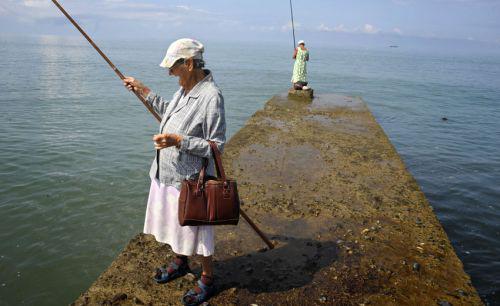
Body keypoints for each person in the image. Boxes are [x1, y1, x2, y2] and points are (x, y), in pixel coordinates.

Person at [123, 38, 225, 306]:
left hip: (190, 182)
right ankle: (180, 260)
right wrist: (142, 90)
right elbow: (170, 113)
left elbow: (217, 146)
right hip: (166, 173)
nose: (170, 72)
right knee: (174, 223)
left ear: (189, 63)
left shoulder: (211, 97)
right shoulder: (184, 88)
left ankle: (207, 277)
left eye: (173, 66)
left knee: (198, 233)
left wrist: (179, 141)